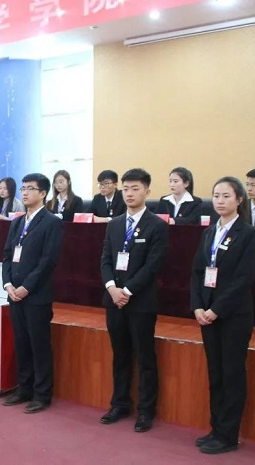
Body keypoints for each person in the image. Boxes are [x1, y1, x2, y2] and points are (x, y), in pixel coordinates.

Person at [190, 176, 255, 454]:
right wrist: (198, 306)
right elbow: (197, 272)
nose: (219, 201)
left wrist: (216, 310)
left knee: (231, 373)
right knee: (215, 373)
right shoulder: (209, 232)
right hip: (206, 313)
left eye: (226, 196)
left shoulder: (248, 233)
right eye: (216, 196)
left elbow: (243, 279)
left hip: (233, 315)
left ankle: (228, 435)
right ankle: (216, 428)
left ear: (239, 200)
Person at [99, 168, 168, 433]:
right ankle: (120, 404)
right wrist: (112, 289)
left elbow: (153, 266)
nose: (129, 193)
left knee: (144, 357)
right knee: (120, 355)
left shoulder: (157, 225)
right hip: (114, 300)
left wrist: (126, 291)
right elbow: (106, 259)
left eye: (135, 189)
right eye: (126, 189)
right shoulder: (115, 224)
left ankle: (146, 410)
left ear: (147, 191)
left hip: (140, 302)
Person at [1, 173, 63, 414]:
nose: (25, 192)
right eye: (23, 188)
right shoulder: (17, 222)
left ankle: (42, 393)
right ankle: (24, 388)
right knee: (21, 343)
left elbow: (48, 261)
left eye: (30, 188)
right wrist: (8, 284)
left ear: (43, 193)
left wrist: (26, 287)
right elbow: (7, 255)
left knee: (39, 345)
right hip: (14, 293)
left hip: (36, 296)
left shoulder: (51, 222)